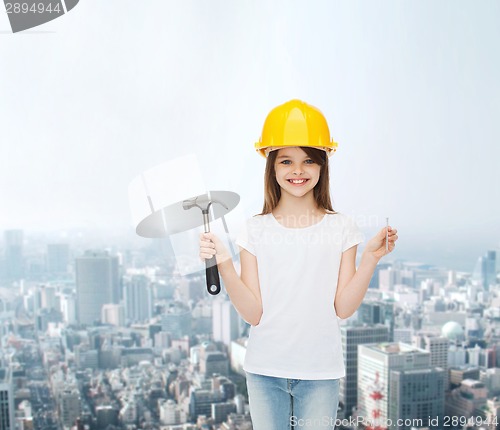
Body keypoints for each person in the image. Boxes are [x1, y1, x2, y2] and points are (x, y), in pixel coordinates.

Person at [199, 99, 398, 430]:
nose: (298, 171)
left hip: (320, 373)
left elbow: (343, 307)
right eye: (287, 161)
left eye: (308, 160)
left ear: (322, 165)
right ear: (272, 167)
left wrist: (371, 259)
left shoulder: (342, 227)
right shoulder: (254, 229)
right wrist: (223, 263)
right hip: (264, 371)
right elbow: (253, 313)